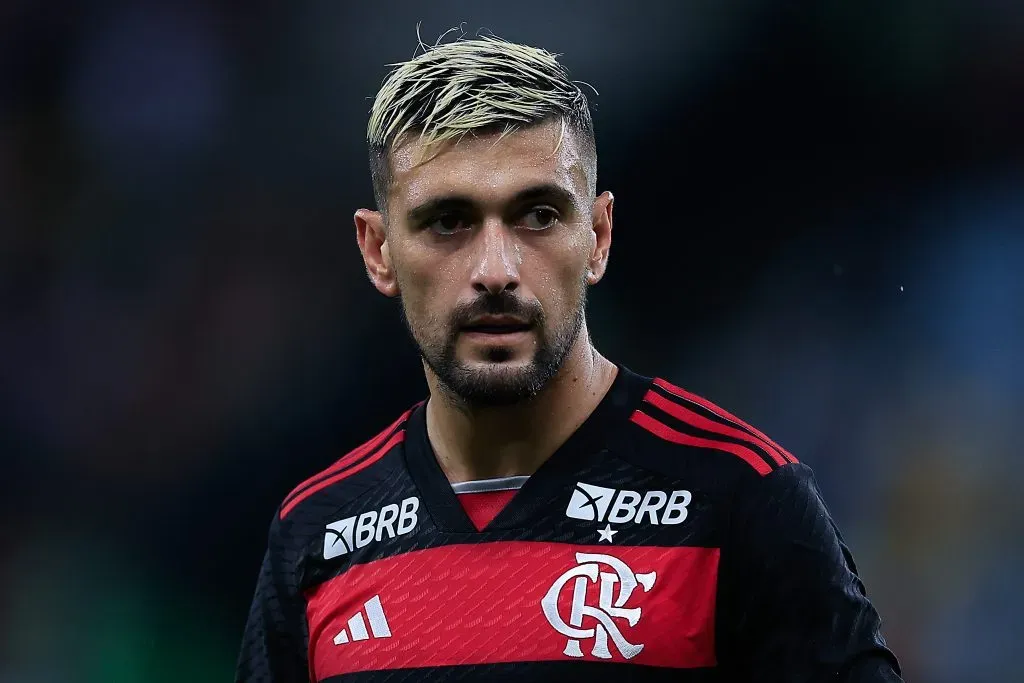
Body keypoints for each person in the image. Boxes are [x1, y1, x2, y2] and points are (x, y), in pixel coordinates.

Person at [236, 34, 902, 683]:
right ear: (378, 250)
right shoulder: (316, 534)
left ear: (598, 236)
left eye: (538, 215)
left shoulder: (740, 500)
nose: (495, 270)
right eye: (448, 222)